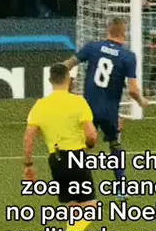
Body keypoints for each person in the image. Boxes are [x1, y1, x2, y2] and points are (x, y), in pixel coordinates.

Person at [23, 63, 99, 231]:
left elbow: (29, 137)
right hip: (76, 158)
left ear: (50, 81)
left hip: (55, 161)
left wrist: (28, 165)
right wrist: (90, 143)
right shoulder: (78, 102)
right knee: (90, 208)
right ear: (68, 79)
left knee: (74, 210)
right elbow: (91, 135)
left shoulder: (40, 105)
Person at [63, 18, 148, 199]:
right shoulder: (128, 56)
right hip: (110, 112)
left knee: (81, 147)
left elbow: (67, 65)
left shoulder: (92, 47)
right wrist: (141, 101)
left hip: (88, 110)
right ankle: (121, 189)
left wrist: (65, 84)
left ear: (107, 31)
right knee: (115, 144)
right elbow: (133, 90)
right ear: (124, 33)